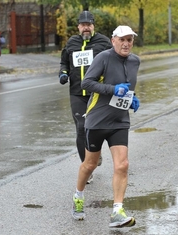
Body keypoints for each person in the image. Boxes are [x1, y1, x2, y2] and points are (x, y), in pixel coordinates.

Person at [72, 25, 141, 228]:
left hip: (120, 120)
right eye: (122, 39)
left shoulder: (135, 61)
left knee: (122, 165)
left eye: (129, 40)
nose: (126, 43)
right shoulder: (103, 57)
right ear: (113, 41)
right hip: (97, 120)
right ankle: (78, 196)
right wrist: (113, 90)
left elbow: (127, 87)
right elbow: (86, 83)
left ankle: (117, 211)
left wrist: (132, 98)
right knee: (90, 165)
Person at [59, 11, 112, 184]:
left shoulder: (103, 42)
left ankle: (96, 153)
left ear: (93, 26)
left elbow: (114, 61)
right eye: (83, 25)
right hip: (77, 93)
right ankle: (87, 168)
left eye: (89, 24)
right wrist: (63, 73)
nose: (86, 27)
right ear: (78, 27)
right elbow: (64, 61)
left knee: (95, 129)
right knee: (81, 128)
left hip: (97, 93)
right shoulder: (72, 42)